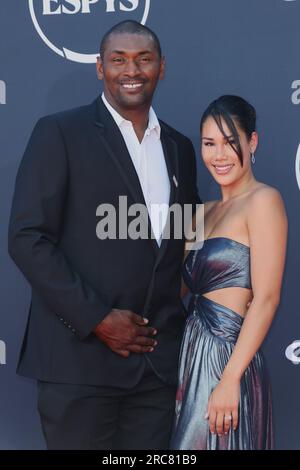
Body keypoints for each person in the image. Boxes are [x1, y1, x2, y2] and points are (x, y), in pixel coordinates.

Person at [8, 21, 199, 450]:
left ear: (161, 68)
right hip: (79, 368)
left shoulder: (180, 148)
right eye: (118, 60)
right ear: (100, 68)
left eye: (143, 59)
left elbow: (183, 241)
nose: (131, 70)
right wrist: (96, 318)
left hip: (155, 370)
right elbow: (27, 237)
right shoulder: (60, 133)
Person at [170, 95, 287, 450]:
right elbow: (173, 291)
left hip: (228, 360)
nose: (219, 155)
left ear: (252, 142)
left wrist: (230, 378)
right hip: (190, 356)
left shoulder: (264, 201)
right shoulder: (200, 213)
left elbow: (266, 299)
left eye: (230, 142)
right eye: (209, 144)